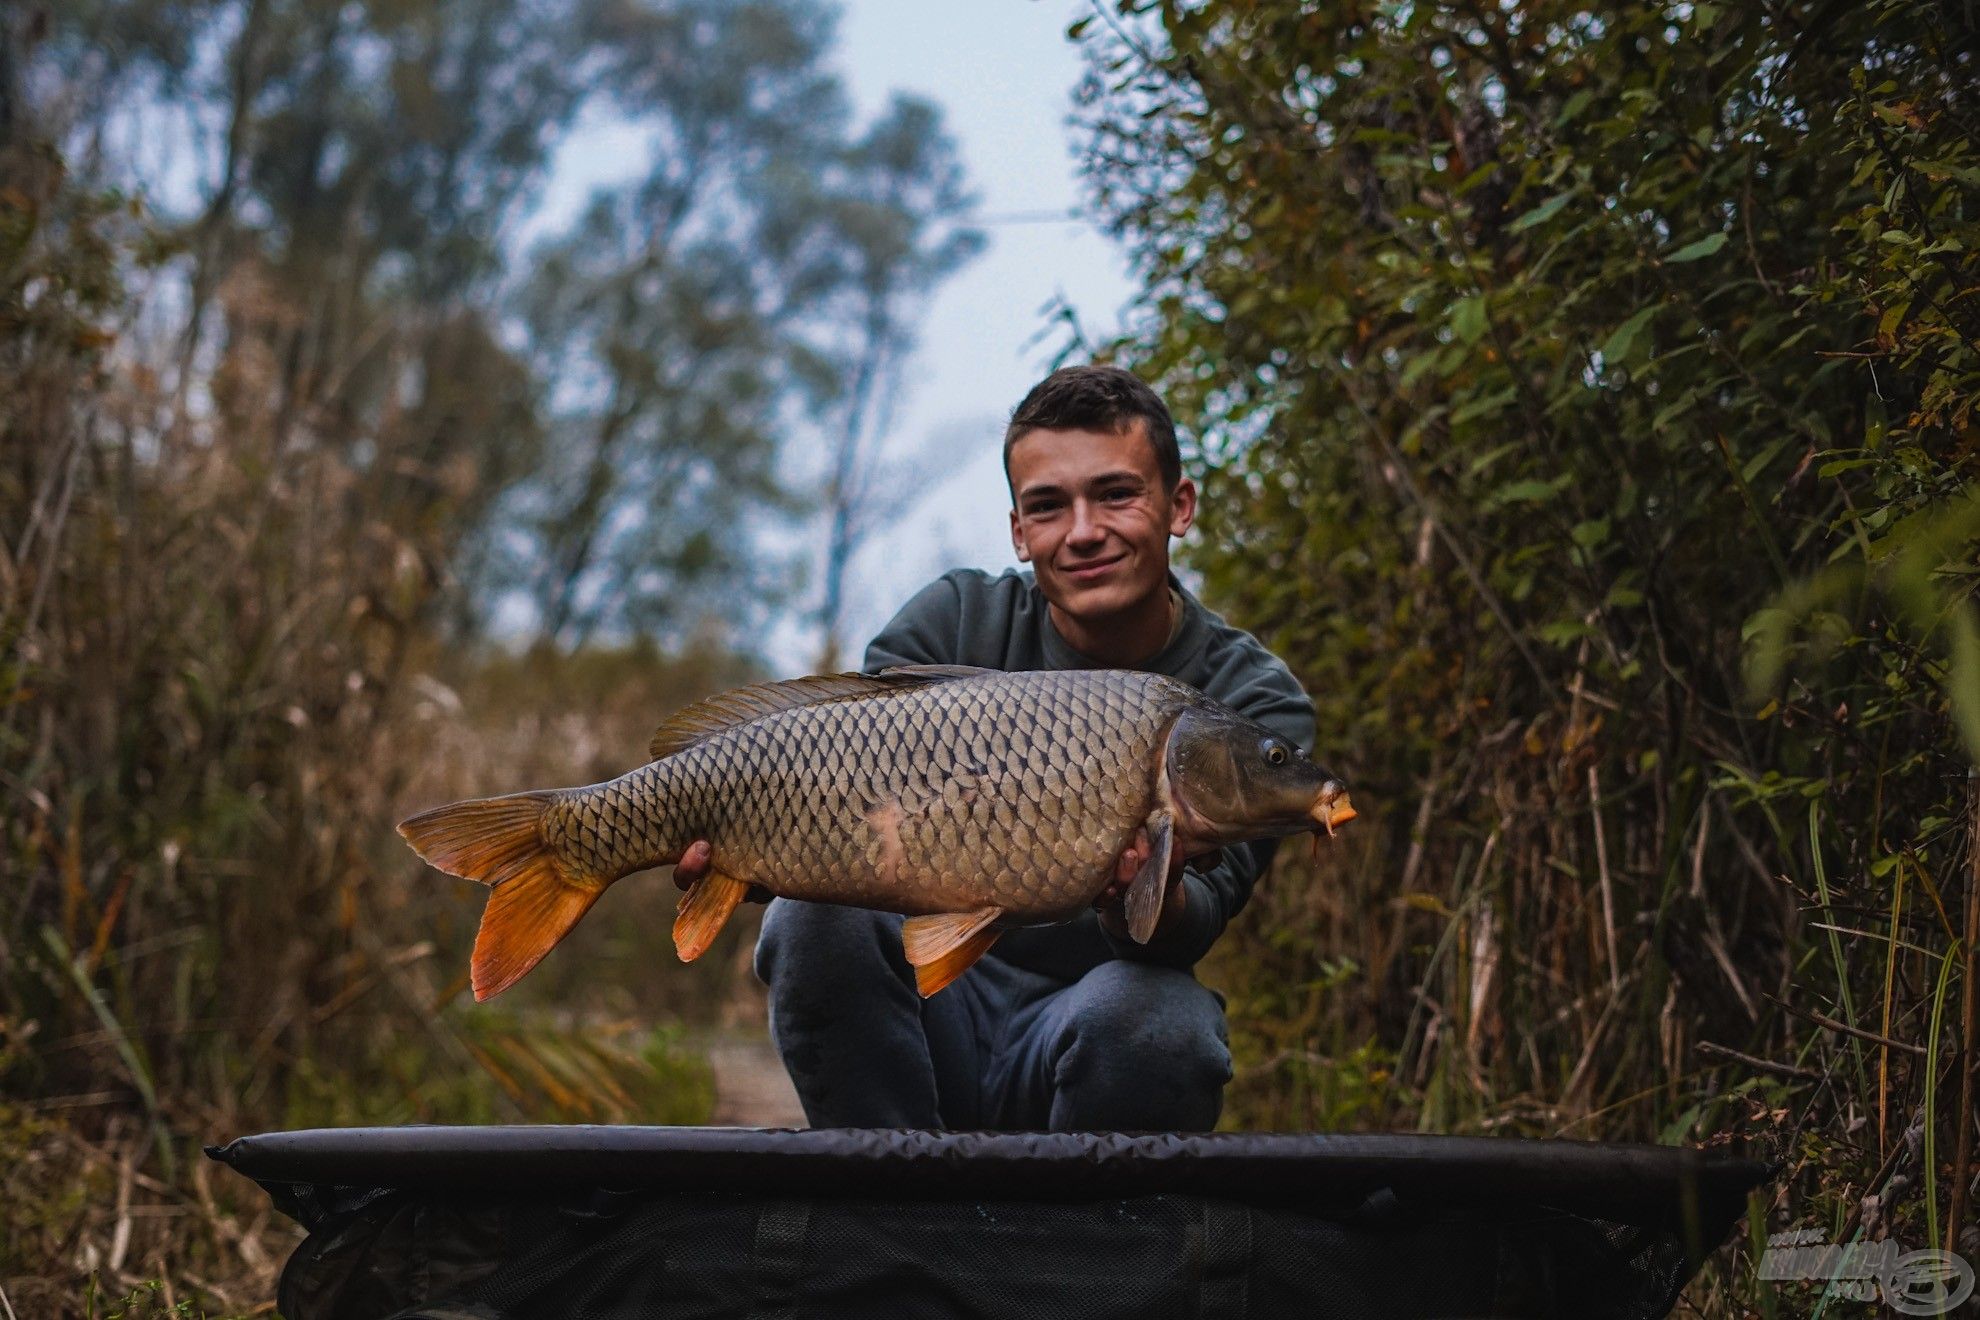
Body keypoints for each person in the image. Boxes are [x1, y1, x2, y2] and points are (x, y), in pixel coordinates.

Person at [718, 365, 1316, 1130]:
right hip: (928, 1012)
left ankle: (1074, 1245)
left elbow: (1204, 914)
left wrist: (1152, 892)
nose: (1083, 531)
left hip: (1089, 1024)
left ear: (1180, 504)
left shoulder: (1250, 699)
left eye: (1116, 494)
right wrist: (766, 850)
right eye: (1048, 506)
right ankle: (891, 1213)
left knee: (1162, 1021)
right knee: (810, 919)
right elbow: (843, 801)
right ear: (1018, 531)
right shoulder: (954, 622)